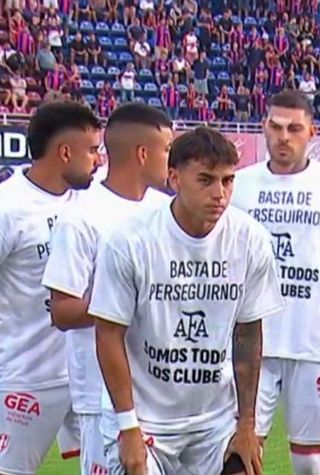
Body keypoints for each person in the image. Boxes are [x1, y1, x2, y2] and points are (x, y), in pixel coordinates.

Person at [88, 127, 285, 475]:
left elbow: (248, 333)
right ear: (175, 179)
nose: (220, 194)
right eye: (206, 180)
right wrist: (128, 426)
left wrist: (246, 424)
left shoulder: (250, 239)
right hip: (146, 421)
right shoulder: (131, 241)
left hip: (214, 421)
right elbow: (108, 334)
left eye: (227, 181)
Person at [230, 89, 320, 475]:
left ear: (311, 131)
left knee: (309, 461)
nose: (284, 136)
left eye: (294, 128)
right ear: (263, 127)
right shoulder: (239, 185)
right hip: (250, 342)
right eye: (276, 127)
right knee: (238, 455)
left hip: (312, 343)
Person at [41, 103, 173, 475]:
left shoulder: (168, 210)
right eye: (166, 150)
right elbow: (62, 312)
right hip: (100, 395)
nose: (171, 159)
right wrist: (123, 299)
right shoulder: (82, 216)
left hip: (164, 391)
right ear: (142, 154)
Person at [0, 101, 101, 475]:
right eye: (91, 149)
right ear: (64, 152)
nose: (98, 158)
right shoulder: (9, 208)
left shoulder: (93, 203)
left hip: (88, 370)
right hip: (27, 375)